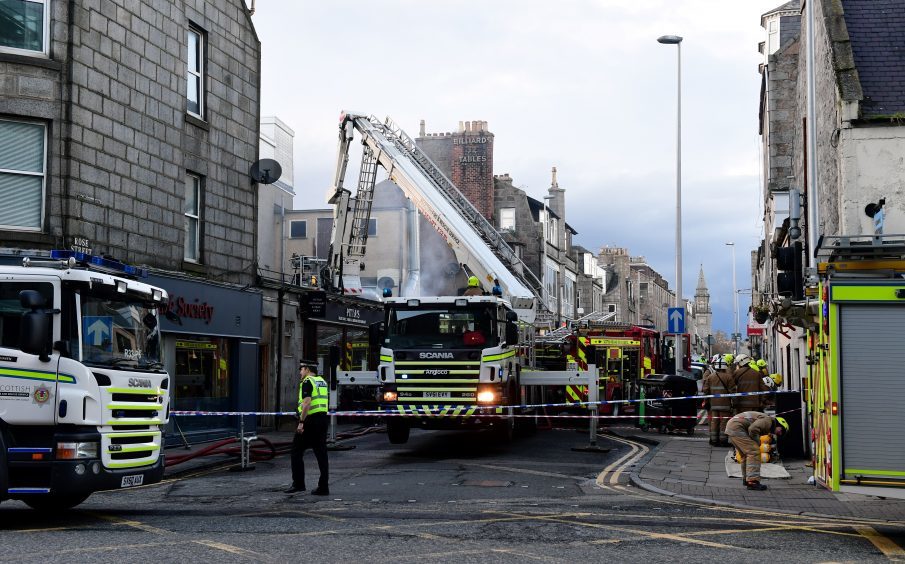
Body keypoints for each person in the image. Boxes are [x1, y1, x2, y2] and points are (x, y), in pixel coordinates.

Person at [285, 359, 330, 495]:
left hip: (310, 421)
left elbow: (306, 404)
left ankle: (298, 484)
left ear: (307, 369)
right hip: (322, 420)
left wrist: (301, 422)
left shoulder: (307, 382)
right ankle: (323, 487)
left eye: (301, 369)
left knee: (296, 451)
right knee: (321, 453)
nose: (300, 372)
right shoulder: (322, 381)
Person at [725, 411, 789, 490]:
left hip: (733, 427)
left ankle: (747, 480)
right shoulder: (768, 421)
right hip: (737, 428)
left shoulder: (767, 421)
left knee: (745, 455)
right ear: (779, 424)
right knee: (754, 452)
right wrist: (757, 442)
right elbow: (753, 429)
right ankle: (753, 481)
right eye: (781, 430)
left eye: (781, 434)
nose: (780, 433)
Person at [702, 358, 736, 446]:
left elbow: (705, 391)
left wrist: (707, 402)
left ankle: (713, 440)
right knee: (724, 422)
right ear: (725, 367)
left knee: (714, 421)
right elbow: (733, 391)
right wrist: (734, 403)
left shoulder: (710, 377)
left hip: (713, 404)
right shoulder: (728, 377)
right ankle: (723, 440)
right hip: (725, 404)